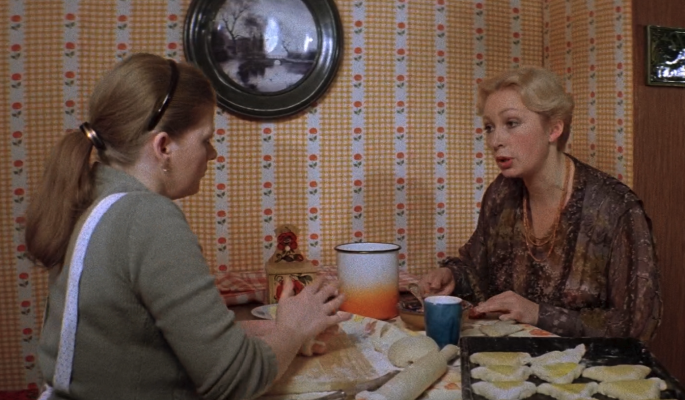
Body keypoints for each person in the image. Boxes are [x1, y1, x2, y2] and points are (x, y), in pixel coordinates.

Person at [25, 53, 350, 400]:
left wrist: (255, 334)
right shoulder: (146, 217)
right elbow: (236, 380)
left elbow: (128, 338)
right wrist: (293, 330)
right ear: (164, 146)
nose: (212, 154)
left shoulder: (93, 197)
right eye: (205, 140)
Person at [418, 66, 662, 342]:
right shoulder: (501, 193)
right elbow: (477, 270)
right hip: (513, 358)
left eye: (511, 123)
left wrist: (538, 313)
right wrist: (452, 276)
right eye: (489, 127)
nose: (495, 141)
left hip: (588, 364)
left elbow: (635, 324)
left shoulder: (615, 208)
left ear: (554, 128)